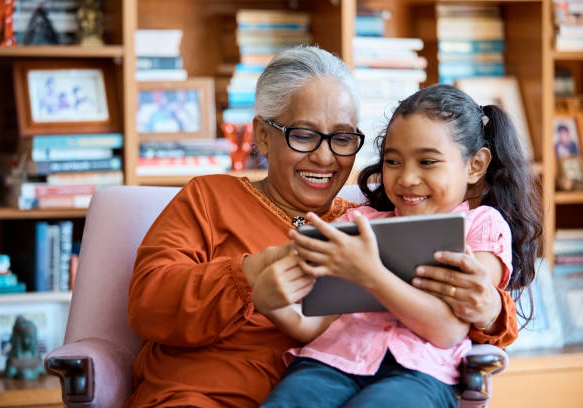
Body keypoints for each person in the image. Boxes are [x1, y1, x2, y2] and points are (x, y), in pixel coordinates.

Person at [125, 47, 520, 408]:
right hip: (199, 396)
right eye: (304, 135)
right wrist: (250, 277)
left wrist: (490, 309)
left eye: (343, 138)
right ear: (262, 135)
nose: (325, 157)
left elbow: (461, 314)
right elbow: (148, 304)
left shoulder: (366, 224)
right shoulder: (209, 197)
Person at [260, 84, 542, 408]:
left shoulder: (482, 225)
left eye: (427, 162)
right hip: (331, 362)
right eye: (393, 162)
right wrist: (271, 303)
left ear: (475, 165)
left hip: (420, 374)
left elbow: (447, 330)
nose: (406, 178)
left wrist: (370, 274)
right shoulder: (359, 221)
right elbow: (315, 326)